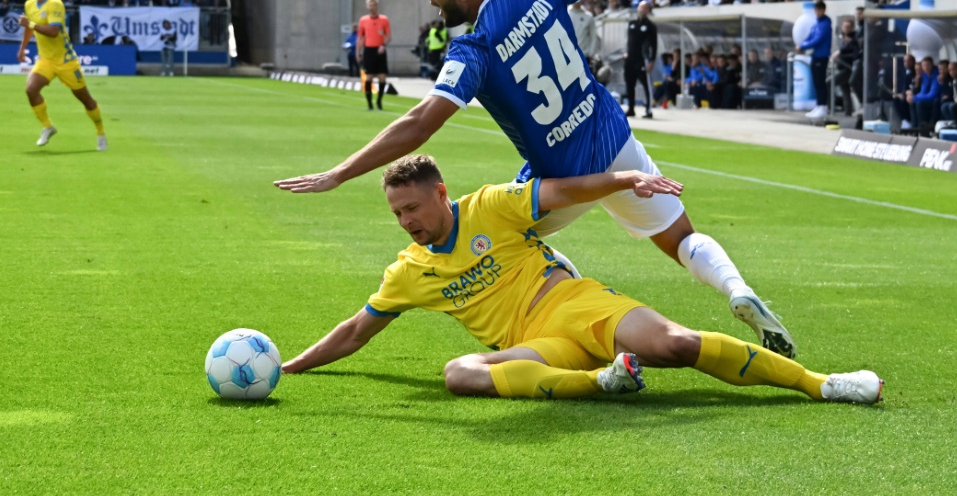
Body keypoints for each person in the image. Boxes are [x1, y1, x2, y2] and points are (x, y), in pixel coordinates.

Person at [275, 0, 797, 359]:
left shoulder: (473, 50)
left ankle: (571, 309)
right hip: (614, 140)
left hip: (561, 176)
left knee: (498, 234)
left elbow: (419, 124)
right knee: (682, 240)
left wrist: (340, 173)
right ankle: (737, 288)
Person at [281, 155, 883, 405]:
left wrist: (622, 180)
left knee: (676, 345)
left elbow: (561, 192)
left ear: (440, 193)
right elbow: (356, 331)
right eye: (397, 215)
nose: (407, 222)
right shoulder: (408, 272)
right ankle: (601, 383)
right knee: (458, 373)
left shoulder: (490, 206)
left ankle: (824, 384)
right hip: (538, 345)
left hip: (574, 302)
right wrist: (289, 368)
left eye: (412, 208)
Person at [16, 0, 107, 151]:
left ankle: (100, 133)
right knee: (31, 89)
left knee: (85, 99)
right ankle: (48, 127)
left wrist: (31, 24)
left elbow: (53, 31)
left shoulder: (55, 3)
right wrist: (23, 48)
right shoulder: (30, 4)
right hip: (46, 61)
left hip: (66, 61)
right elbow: (29, 28)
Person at [797, 0, 832, 120]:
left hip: (822, 56)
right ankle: (819, 105)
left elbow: (818, 39)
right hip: (815, 56)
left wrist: (803, 46)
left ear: (823, 10)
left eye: (819, 10)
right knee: (816, 82)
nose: (817, 12)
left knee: (820, 82)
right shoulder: (816, 24)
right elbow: (810, 36)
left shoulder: (825, 24)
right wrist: (802, 44)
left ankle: (823, 106)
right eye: (815, 10)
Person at [356, 0, 391, 110]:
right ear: (367, 7)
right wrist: (358, 52)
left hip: (379, 50)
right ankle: (369, 104)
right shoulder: (363, 20)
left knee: (382, 77)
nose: (372, 7)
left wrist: (383, 45)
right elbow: (360, 37)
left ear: (377, 6)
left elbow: (388, 36)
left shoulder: (384, 19)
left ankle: (379, 102)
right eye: (370, 5)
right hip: (369, 50)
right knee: (369, 77)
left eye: (374, 5)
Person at [624, 0, 657, 118]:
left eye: (645, 8)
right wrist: (626, 52)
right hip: (630, 59)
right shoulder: (632, 23)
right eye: (641, 7)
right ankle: (631, 108)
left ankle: (649, 109)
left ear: (648, 11)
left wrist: (652, 60)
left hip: (642, 59)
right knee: (630, 84)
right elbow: (629, 41)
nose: (642, 10)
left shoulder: (650, 26)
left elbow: (654, 44)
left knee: (646, 85)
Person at [567, 0, 597, 65]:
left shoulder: (589, 16)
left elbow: (593, 36)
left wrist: (591, 53)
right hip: (569, 55)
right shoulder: (566, 14)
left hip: (584, 55)